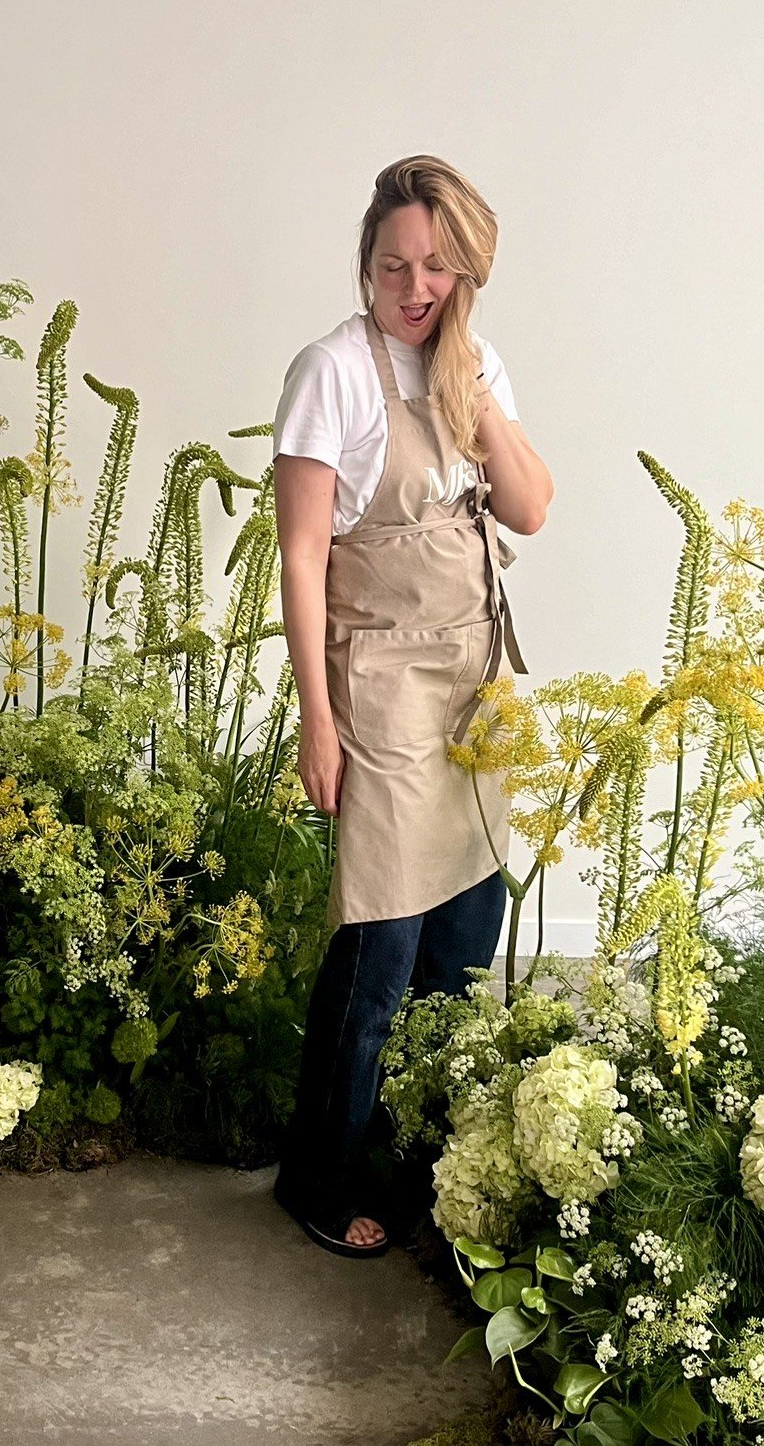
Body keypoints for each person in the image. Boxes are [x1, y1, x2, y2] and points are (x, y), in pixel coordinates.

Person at [269, 155, 554, 1258]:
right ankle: (317, 1173)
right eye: (394, 263)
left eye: (435, 264)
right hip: (380, 677)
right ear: (366, 263)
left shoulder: (476, 366)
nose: (413, 283)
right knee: (379, 939)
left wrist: (471, 388)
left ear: (463, 268)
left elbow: (528, 508)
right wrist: (316, 716)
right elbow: (301, 557)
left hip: (474, 677)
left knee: (462, 938)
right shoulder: (329, 372)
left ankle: (423, 1153)